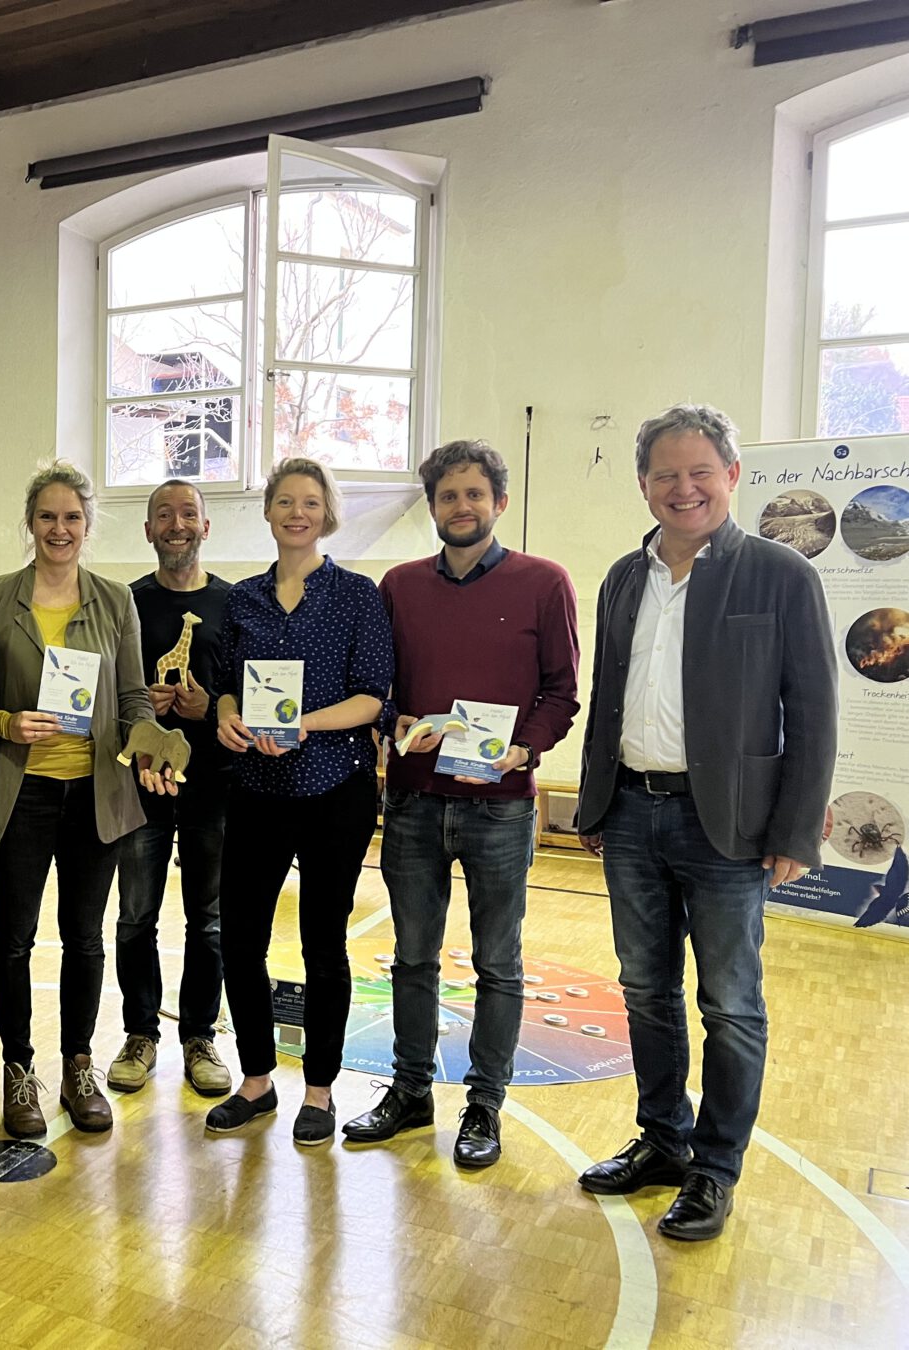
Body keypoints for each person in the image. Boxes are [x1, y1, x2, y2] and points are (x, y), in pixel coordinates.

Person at [574, 404, 837, 1241]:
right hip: (631, 814)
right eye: (664, 475)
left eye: (699, 473)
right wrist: (593, 801)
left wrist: (795, 830)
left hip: (728, 824)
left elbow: (816, 712)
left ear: (730, 476)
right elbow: (607, 699)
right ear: (644, 484)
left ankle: (716, 1168)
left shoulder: (781, 575)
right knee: (646, 993)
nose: (682, 489)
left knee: (730, 1004)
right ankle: (663, 1139)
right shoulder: (624, 577)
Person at [341, 440, 579, 1168]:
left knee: (497, 964)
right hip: (414, 803)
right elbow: (379, 691)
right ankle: (409, 1090)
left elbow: (561, 693)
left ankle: (484, 1103)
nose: (462, 507)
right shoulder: (400, 586)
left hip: (501, 807)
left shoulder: (545, 582)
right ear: (433, 507)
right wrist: (393, 727)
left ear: (499, 502)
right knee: (412, 959)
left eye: (476, 494)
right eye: (449, 496)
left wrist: (523, 749)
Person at [0, 461, 173, 1139]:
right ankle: (18, 1070)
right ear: (31, 523)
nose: (60, 529)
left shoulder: (115, 600)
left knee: (85, 940)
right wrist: (5, 723)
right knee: (15, 939)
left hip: (94, 796)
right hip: (19, 794)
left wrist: (152, 744)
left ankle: (78, 1063)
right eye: (48, 517)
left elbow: (134, 697)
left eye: (72, 518)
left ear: (87, 525)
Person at [206, 458, 393, 1145]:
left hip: (333, 791)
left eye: (310, 502)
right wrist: (228, 714)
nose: (296, 512)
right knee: (242, 939)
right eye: (285, 501)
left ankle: (319, 1090)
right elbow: (226, 684)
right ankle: (255, 1081)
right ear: (268, 512)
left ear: (327, 513)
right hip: (255, 789)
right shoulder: (244, 599)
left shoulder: (356, 595)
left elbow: (374, 695)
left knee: (323, 942)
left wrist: (303, 723)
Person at [108, 479, 232, 1097]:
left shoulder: (236, 607)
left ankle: (200, 1036)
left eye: (189, 514)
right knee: (135, 917)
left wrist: (209, 708)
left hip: (213, 789)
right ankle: (139, 1032)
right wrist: (138, 712)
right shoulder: (124, 603)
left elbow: (244, 701)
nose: (177, 524)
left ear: (206, 527)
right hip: (141, 788)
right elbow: (107, 697)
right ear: (149, 529)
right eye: (164, 515)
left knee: (208, 922)